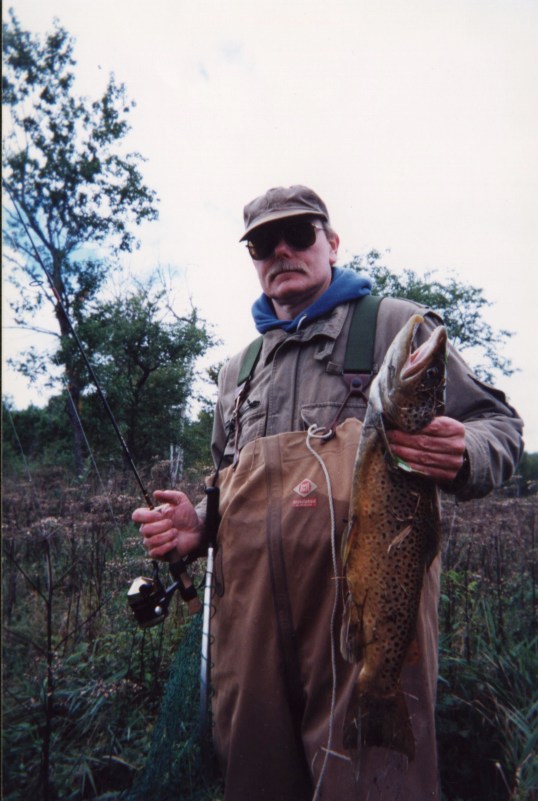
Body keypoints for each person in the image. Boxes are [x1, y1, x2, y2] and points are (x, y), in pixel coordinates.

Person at [132, 186, 523, 801]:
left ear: (332, 243)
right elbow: (226, 480)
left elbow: (501, 428)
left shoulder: (397, 325)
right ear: (253, 258)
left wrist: (465, 450)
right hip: (249, 641)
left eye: (299, 235)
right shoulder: (238, 369)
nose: (282, 250)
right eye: (264, 242)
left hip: (365, 631)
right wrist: (200, 523)